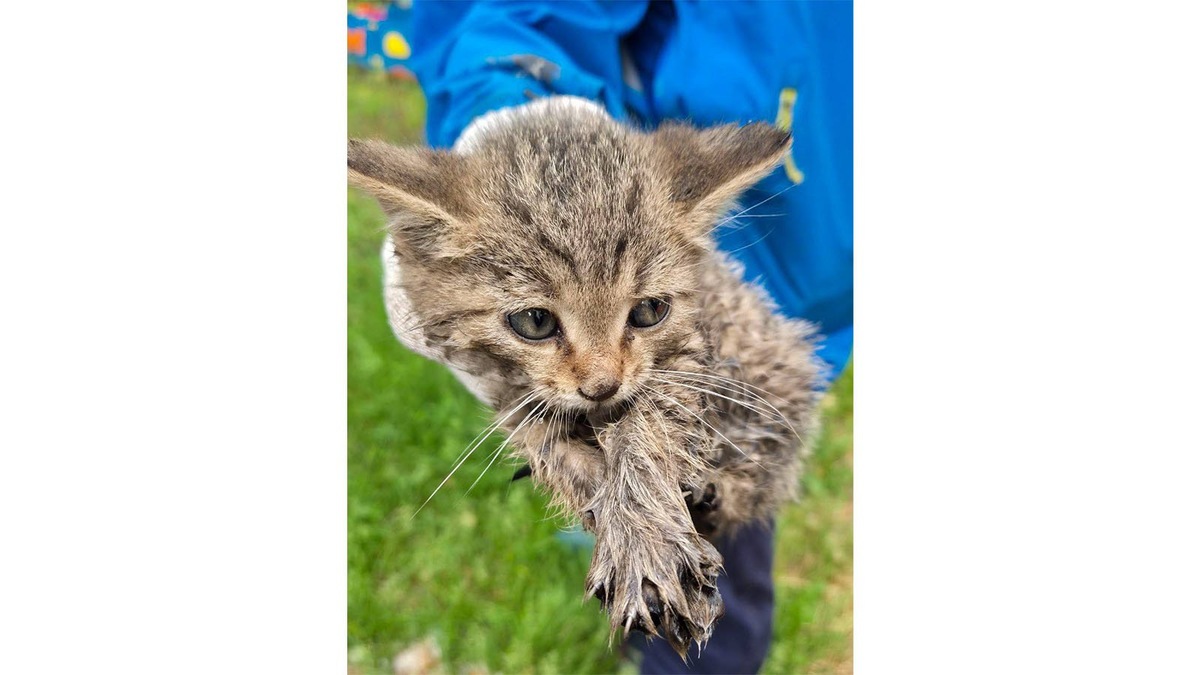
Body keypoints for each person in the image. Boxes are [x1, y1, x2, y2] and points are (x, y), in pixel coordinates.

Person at [351, 2, 852, 672]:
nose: (601, 376)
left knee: (724, 567)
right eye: (537, 321)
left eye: (639, 315)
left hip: (795, 264)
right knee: (634, 523)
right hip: (658, 188)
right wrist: (505, 89)